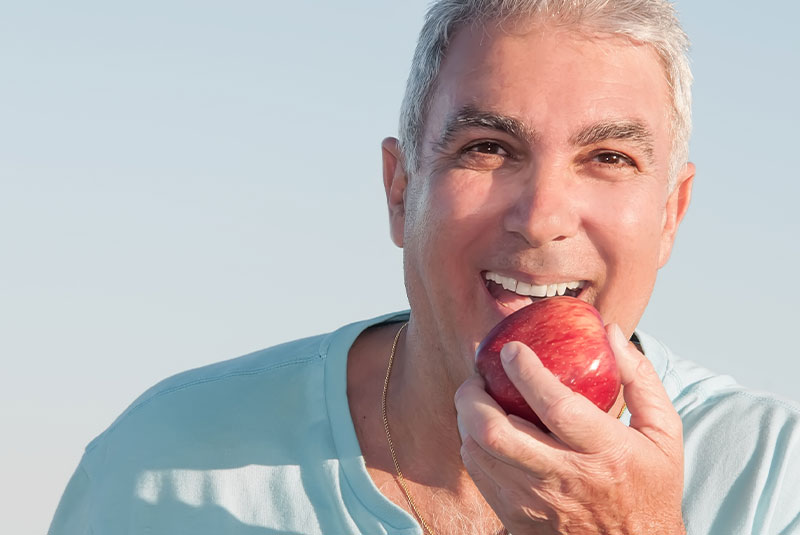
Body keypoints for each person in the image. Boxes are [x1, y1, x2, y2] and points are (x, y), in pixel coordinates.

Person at [49, 0, 800, 534]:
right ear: (400, 188)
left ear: (671, 214)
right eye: (487, 147)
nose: (542, 216)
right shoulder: (164, 461)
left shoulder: (775, 478)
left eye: (608, 157)